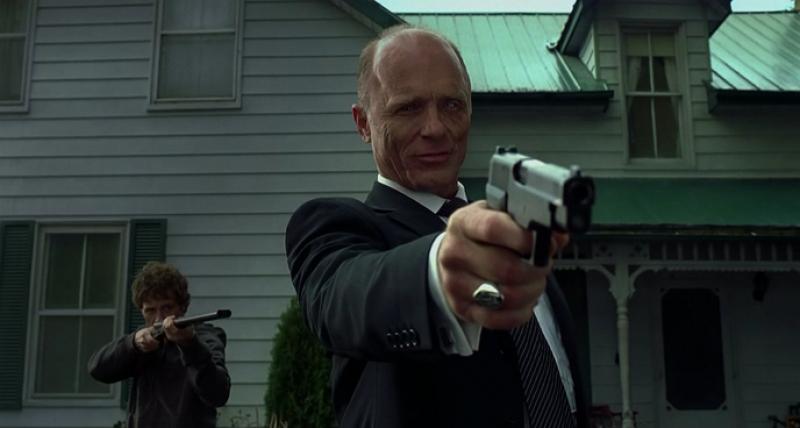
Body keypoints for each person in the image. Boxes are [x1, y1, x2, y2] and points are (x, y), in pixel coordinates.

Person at [285, 24, 588, 428]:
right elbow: (346, 300)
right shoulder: (334, 227)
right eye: (408, 108)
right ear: (363, 124)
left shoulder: (505, 233)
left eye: (452, 105)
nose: (435, 128)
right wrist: (440, 271)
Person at [88, 261, 230, 428]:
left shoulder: (205, 337)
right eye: (150, 310)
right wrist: (132, 344)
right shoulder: (142, 341)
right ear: (141, 311)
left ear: (182, 307)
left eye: (167, 307)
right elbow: (98, 369)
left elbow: (217, 394)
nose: (159, 318)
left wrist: (190, 344)